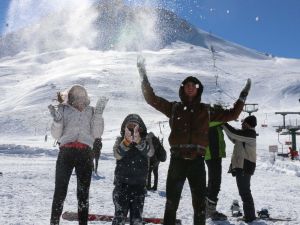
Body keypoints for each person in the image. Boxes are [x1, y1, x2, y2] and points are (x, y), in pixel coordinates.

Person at [137, 56, 251, 225]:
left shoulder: (206, 110)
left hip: (197, 162)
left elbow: (232, 114)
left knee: (199, 206)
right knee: (171, 203)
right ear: (183, 88)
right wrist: (143, 75)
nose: (190, 88)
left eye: (194, 86)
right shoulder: (174, 108)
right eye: (187, 85)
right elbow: (152, 99)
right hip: (177, 161)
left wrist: (243, 95)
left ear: (199, 89)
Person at [48, 85, 107, 225]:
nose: (80, 100)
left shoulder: (91, 111)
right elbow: (56, 135)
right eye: (76, 97)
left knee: (83, 195)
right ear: (71, 98)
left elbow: (97, 134)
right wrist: (57, 121)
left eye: (82, 97)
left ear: (86, 98)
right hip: (66, 153)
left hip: (85, 154)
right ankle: (54, 222)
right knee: (60, 192)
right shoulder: (63, 110)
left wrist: (98, 115)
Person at [112, 114, 154, 225]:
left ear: (140, 128)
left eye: (135, 127)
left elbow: (150, 152)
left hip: (139, 187)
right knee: (119, 218)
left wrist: (139, 141)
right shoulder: (120, 140)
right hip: (121, 185)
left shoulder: (146, 140)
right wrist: (126, 141)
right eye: (129, 127)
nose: (132, 130)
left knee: (136, 220)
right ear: (124, 128)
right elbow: (117, 155)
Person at [222, 115, 257, 223]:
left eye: (243, 123)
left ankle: (250, 216)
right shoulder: (244, 135)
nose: (241, 125)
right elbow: (233, 137)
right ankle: (249, 214)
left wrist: (223, 122)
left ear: (248, 124)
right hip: (242, 166)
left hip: (244, 166)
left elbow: (234, 133)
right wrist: (224, 128)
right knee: (244, 191)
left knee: (245, 191)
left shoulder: (250, 133)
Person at [205, 119, 227, 221]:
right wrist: (222, 120)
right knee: (215, 182)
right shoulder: (211, 121)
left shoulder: (216, 122)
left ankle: (207, 208)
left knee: (213, 181)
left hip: (215, 154)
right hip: (212, 154)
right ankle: (209, 211)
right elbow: (209, 123)